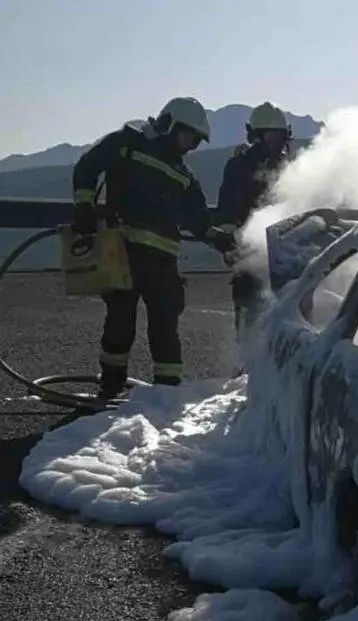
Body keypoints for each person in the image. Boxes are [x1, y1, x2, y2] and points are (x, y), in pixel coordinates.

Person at [71, 96, 237, 400]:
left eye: (195, 142)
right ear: (170, 125)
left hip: (162, 263)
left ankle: (167, 394)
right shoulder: (127, 144)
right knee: (120, 322)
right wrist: (83, 205)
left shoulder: (184, 175)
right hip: (121, 253)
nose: (190, 147)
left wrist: (219, 238)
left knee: (165, 327)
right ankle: (111, 386)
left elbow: (198, 219)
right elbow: (87, 167)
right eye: (189, 138)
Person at [215, 101, 294, 346]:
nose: (276, 144)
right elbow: (227, 210)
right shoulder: (239, 166)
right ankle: (248, 360)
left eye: (279, 138)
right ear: (256, 136)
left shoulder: (289, 170)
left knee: (287, 314)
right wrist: (229, 246)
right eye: (271, 137)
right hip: (249, 254)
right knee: (249, 311)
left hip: (285, 256)